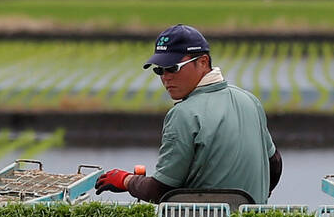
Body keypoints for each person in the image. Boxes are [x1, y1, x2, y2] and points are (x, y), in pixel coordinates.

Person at [95, 25, 282, 205]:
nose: (166, 77)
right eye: (159, 70)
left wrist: (126, 180)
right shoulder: (250, 101)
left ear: (203, 62)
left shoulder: (183, 114)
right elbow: (274, 165)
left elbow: (160, 190)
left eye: (173, 68)